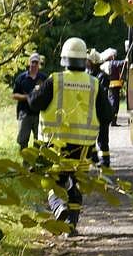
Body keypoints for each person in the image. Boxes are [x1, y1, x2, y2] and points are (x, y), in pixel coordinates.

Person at [28, 38, 113, 236]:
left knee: (53, 181)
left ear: (64, 59)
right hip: (83, 148)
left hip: (56, 145)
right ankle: (71, 226)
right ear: (84, 60)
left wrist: (35, 91)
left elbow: (34, 103)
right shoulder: (94, 84)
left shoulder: (55, 80)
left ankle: (58, 206)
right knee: (76, 184)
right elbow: (107, 115)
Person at [12, 52, 47, 150]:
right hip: (24, 113)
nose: (34, 65)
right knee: (23, 141)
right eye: (32, 62)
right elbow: (14, 95)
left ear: (39, 64)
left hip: (40, 115)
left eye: (36, 62)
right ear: (29, 63)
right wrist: (27, 97)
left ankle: (38, 159)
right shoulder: (21, 78)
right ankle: (25, 159)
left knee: (39, 141)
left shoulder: (44, 78)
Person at [86, 48, 112, 167]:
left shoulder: (102, 76)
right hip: (93, 112)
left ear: (93, 62)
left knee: (102, 138)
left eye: (88, 61)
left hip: (102, 112)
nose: (86, 62)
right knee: (90, 136)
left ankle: (105, 161)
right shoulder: (89, 75)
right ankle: (94, 157)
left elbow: (100, 95)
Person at [105, 50, 126, 126]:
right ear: (112, 56)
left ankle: (113, 121)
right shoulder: (112, 63)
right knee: (115, 104)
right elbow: (122, 63)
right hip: (114, 86)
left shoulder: (106, 64)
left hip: (111, 86)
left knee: (113, 104)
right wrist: (126, 60)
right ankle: (113, 121)